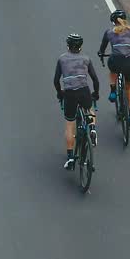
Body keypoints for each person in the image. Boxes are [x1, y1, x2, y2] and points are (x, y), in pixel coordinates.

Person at [53, 33, 100, 170]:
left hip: (70, 94)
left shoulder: (62, 59)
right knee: (90, 108)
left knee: (70, 124)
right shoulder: (86, 58)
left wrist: (60, 94)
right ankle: (92, 129)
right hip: (84, 91)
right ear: (81, 46)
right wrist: (95, 94)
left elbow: (56, 81)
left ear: (68, 45)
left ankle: (70, 157)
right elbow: (95, 80)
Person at [97, 8, 130, 127]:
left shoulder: (109, 32)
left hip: (116, 60)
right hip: (129, 62)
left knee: (113, 71)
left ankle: (113, 91)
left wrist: (100, 53)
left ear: (113, 21)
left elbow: (102, 48)